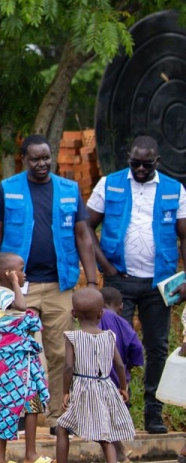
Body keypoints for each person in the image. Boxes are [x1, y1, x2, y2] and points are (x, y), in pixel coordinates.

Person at [0, 134, 98, 430]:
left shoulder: (69, 190)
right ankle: (24, 414)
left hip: (60, 285)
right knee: (22, 355)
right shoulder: (7, 189)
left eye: (46, 157)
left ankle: (56, 416)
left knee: (60, 353)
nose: (41, 163)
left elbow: (83, 236)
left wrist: (92, 282)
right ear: (24, 159)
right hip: (18, 286)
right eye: (35, 159)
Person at [86, 136, 186, 435]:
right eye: (135, 163)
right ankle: (120, 411)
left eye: (147, 164)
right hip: (120, 281)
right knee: (115, 344)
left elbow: (185, 235)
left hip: (160, 284)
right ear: (128, 157)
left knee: (157, 347)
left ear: (157, 161)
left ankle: (153, 413)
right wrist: (106, 267)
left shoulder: (175, 189)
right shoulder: (109, 184)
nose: (140, 169)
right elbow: (86, 226)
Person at [34, 288, 135, 463]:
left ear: (73, 314)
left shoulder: (73, 337)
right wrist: (123, 388)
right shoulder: (109, 336)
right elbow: (119, 365)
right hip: (105, 387)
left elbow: (68, 367)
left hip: (83, 389)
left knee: (62, 428)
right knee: (105, 434)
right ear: (101, 314)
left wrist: (65, 392)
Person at [0, 253, 54, 463]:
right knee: (7, 402)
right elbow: (22, 307)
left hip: (21, 358)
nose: (24, 274)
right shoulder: (1, 293)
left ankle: (28, 455)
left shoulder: (7, 293)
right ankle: (2, 460)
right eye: (20, 270)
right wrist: (15, 283)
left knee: (32, 398)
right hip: (10, 360)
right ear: (8, 274)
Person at [100, 286, 144, 463]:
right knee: (111, 416)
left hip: (96, 375)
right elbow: (137, 347)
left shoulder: (95, 318)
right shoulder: (124, 324)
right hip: (118, 377)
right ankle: (119, 452)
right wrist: (127, 370)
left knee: (106, 417)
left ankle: (118, 454)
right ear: (121, 306)